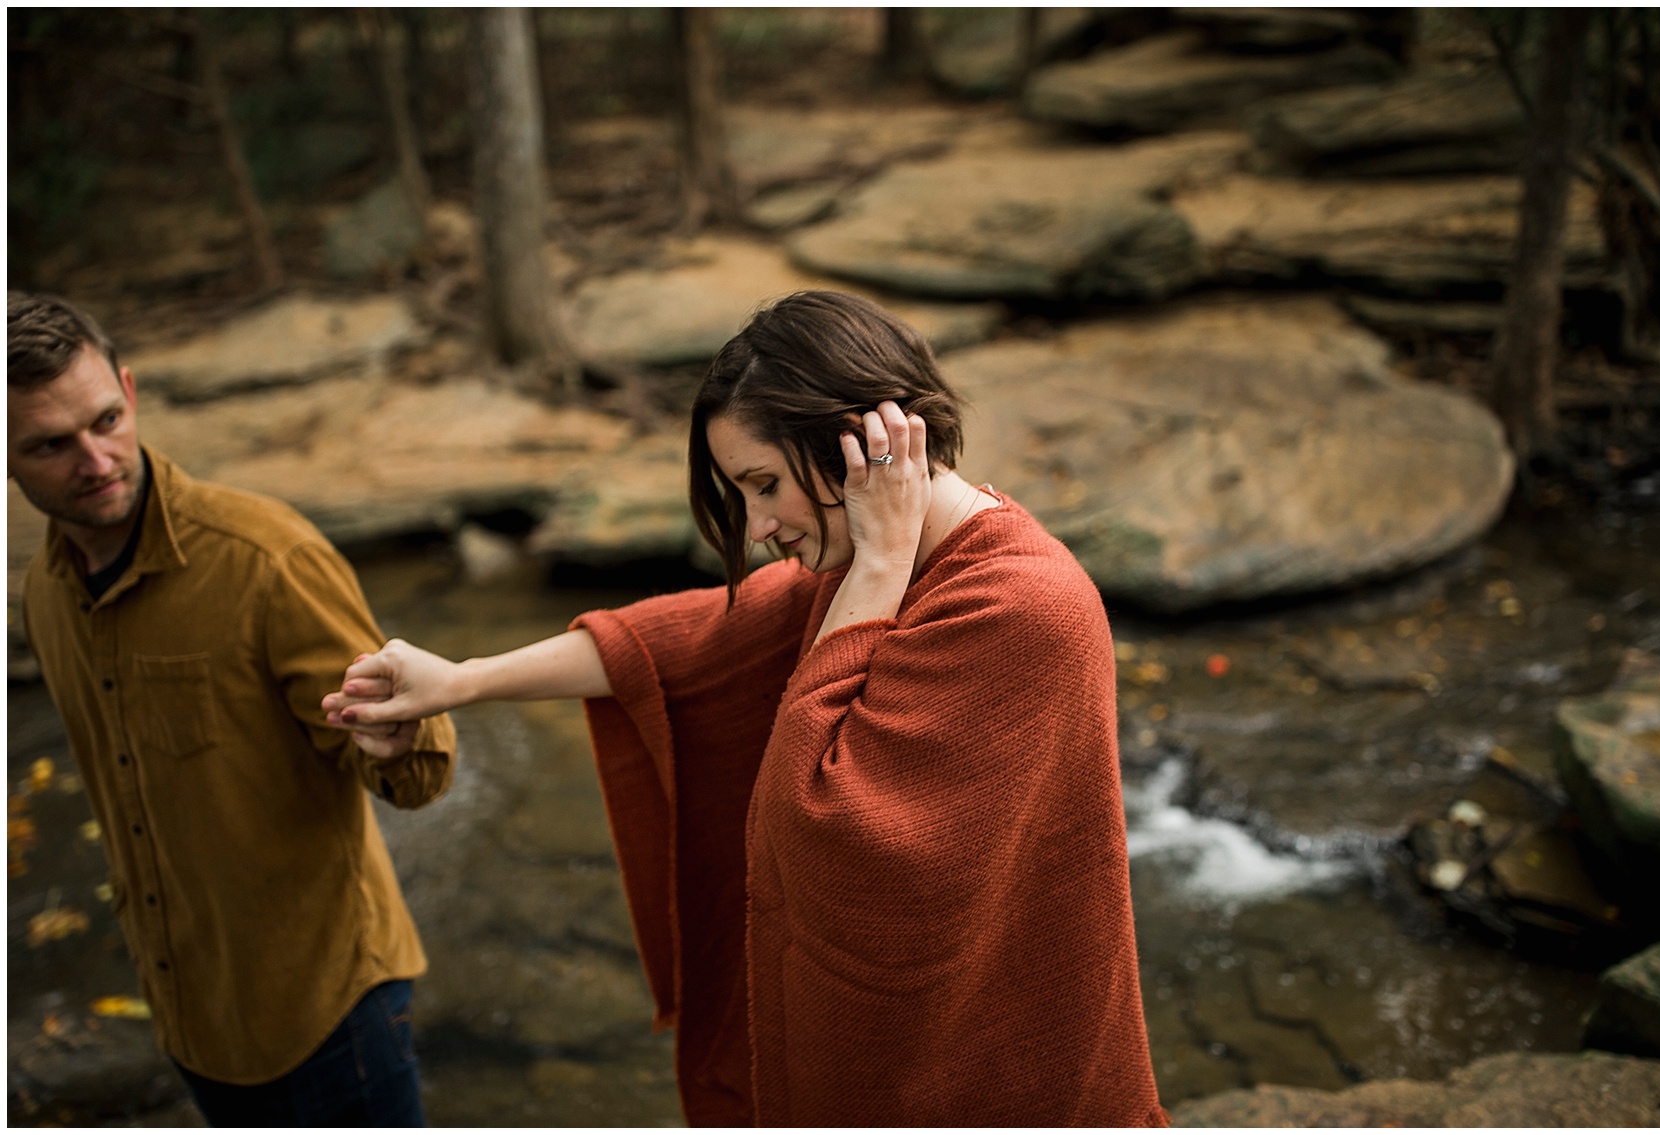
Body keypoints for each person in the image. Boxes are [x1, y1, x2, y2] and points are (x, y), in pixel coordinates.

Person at [325, 290, 1166, 1126]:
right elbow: (680, 646)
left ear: (858, 447)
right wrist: (460, 679)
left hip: (998, 1085)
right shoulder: (858, 574)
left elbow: (814, 817)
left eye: (765, 484)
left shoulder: (1019, 607)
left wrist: (874, 568)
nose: (758, 524)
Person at [8, 292, 457, 1127]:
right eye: (50, 445)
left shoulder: (267, 560)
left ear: (132, 393)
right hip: (189, 1008)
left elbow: (418, 774)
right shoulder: (43, 593)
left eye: (107, 419)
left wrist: (396, 738)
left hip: (329, 1008)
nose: (97, 458)